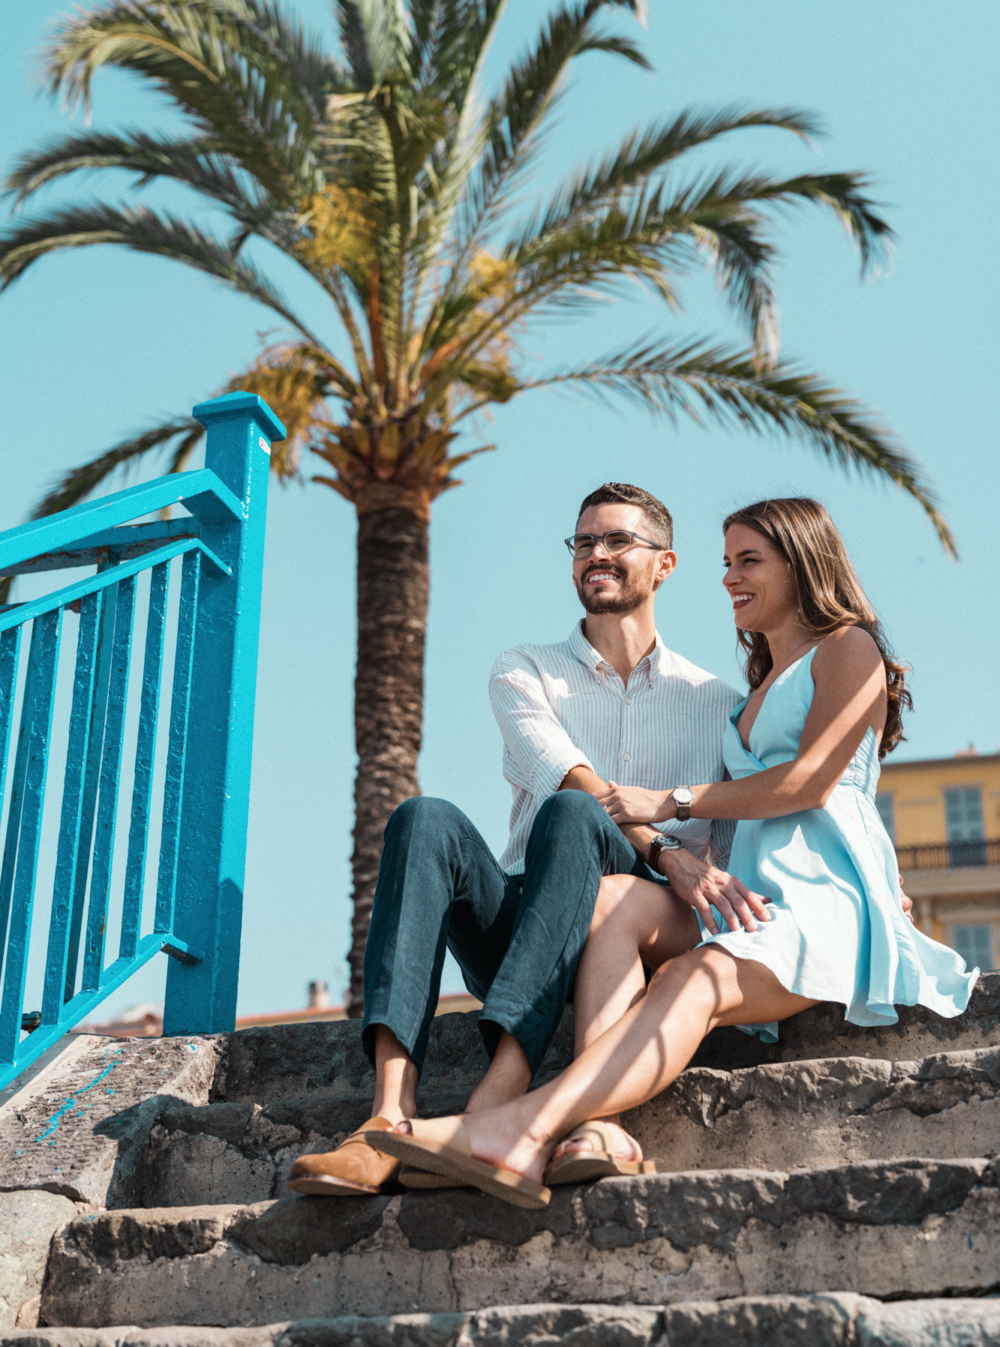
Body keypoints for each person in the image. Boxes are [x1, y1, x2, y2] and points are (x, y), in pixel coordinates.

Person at [365, 496, 977, 1209]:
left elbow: (820, 781)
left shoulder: (835, 650)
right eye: (728, 563)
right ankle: (565, 1122)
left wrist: (675, 803)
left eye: (750, 560)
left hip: (811, 896)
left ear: (802, 562)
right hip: (716, 895)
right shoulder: (740, 687)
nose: (731, 578)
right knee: (589, 881)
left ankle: (517, 1123)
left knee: (683, 969)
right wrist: (670, 850)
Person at [288, 482, 749, 1197]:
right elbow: (567, 776)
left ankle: (498, 1098)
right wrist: (665, 846)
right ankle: (386, 1120)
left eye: (617, 540)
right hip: (526, 922)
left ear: (665, 564)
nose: (596, 554)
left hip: (632, 929)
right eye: (584, 541)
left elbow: (783, 795)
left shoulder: (718, 705)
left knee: (574, 819)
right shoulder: (525, 668)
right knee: (426, 817)